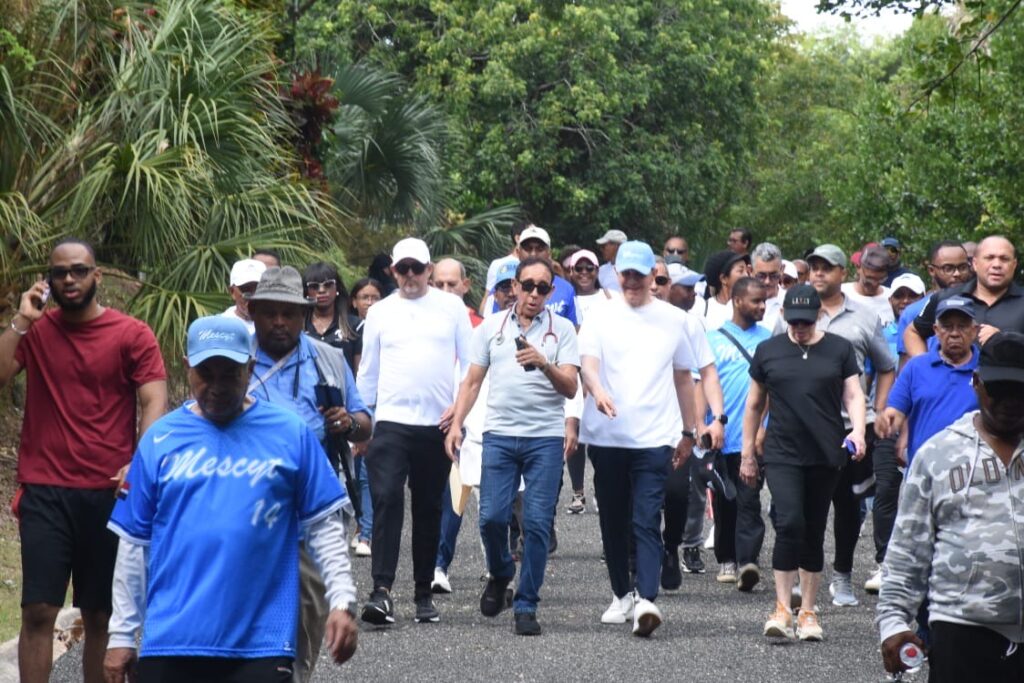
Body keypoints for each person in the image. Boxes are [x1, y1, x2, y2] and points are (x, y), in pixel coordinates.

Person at [102, 316, 358, 683]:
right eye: (206, 374)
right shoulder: (159, 441)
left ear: (250, 368)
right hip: (172, 639)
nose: (218, 387)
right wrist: (122, 635)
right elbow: (134, 545)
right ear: (187, 367)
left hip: (262, 643)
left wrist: (342, 601)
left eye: (230, 374)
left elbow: (323, 528)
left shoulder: (290, 434)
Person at [0, 239, 167, 683]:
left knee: (100, 614)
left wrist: (140, 463)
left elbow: (154, 400)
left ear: (97, 275)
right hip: (45, 491)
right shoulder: (35, 332)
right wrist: (21, 320)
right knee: (38, 610)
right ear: (48, 280)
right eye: (60, 273)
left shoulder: (132, 333)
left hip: (110, 493)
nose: (69, 279)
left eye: (78, 270)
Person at [580, 241, 721, 638]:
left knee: (645, 517)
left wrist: (689, 432)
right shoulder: (599, 316)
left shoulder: (674, 320)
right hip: (608, 435)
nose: (632, 281)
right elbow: (588, 365)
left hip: (654, 436)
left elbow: (684, 377)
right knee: (613, 518)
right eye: (626, 274)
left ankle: (646, 598)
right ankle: (620, 594)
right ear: (617, 274)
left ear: (652, 276)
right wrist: (598, 390)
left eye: (639, 275)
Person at [247, 266, 372, 683]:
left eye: (289, 313)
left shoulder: (328, 360)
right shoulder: (235, 362)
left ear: (303, 314)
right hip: (246, 522)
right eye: (270, 312)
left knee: (300, 646)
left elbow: (366, 424)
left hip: (310, 520)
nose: (279, 322)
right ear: (254, 313)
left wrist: (347, 423)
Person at [876, 331, 1024, 681]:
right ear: (977, 383)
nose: (1008, 401)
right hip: (961, 630)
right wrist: (894, 622)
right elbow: (907, 548)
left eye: (1018, 390)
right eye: (999, 389)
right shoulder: (938, 454)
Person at [445, 257, 580, 635]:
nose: (534, 294)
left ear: (550, 292)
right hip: (500, 435)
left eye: (543, 288)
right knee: (491, 518)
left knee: (536, 524)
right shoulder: (492, 327)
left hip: (544, 438)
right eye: (528, 285)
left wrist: (544, 363)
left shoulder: (562, 330)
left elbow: (571, 387)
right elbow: (472, 382)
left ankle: (526, 604)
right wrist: (456, 424)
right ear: (515, 286)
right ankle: (502, 572)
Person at [357, 237, 472, 625]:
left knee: (428, 506)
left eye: (417, 268)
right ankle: (381, 590)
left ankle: (423, 591)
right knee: (387, 497)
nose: (410, 275)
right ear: (393, 271)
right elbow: (368, 371)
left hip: (436, 423)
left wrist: (459, 412)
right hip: (391, 421)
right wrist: (362, 425)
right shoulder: (380, 312)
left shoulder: (451, 308)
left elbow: (470, 366)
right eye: (402, 268)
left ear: (429, 269)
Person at [742, 284, 867, 642]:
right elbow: (754, 405)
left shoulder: (839, 349)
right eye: (793, 321)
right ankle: (782, 607)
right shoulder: (768, 351)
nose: (799, 328)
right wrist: (748, 453)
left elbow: (853, 394)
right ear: (783, 316)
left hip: (825, 452)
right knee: (790, 522)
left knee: (813, 528)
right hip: (782, 451)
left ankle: (808, 610)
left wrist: (859, 430)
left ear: (819, 316)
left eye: (806, 322)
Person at [799, 244, 895, 608]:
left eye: (826, 267)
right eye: (814, 267)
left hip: (852, 426)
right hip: (806, 427)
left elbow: (886, 365)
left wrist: (879, 410)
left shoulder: (865, 316)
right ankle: (803, 575)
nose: (818, 273)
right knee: (804, 505)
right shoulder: (796, 310)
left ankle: (842, 574)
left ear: (843, 273)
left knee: (848, 505)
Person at [432, 260, 519, 593]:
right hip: (447, 422)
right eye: (503, 287)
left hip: (485, 425)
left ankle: (498, 569)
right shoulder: (436, 323)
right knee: (452, 499)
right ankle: (439, 567)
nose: (511, 293)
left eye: (451, 284)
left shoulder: (487, 328)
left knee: (493, 507)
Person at [703, 278, 771, 589]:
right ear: (737, 300)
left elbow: (772, 389)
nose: (762, 306)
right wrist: (702, 425)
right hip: (722, 437)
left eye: (764, 300)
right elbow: (702, 384)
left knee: (750, 500)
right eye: (756, 301)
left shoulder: (769, 340)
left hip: (754, 437)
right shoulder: (712, 339)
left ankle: (747, 562)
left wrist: (763, 428)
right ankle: (726, 558)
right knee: (725, 501)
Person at [908, 235, 1024, 354]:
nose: (996, 265)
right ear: (975, 263)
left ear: (1014, 264)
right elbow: (913, 332)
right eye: (989, 258)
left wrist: (1005, 339)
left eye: (1004, 259)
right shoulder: (946, 297)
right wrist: (924, 363)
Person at [346, 277, 383, 556]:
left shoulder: (385, 327)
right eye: (364, 297)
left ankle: (367, 532)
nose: (369, 303)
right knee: (353, 473)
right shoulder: (348, 328)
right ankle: (362, 524)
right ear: (354, 301)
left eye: (375, 298)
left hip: (379, 404)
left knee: (367, 471)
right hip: (349, 404)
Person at [303, 262, 361, 373]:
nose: (321, 290)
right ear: (306, 292)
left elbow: (361, 374)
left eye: (328, 285)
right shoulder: (297, 326)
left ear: (337, 288)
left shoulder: (355, 326)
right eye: (314, 286)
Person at [513, 225, 578, 324]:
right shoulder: (504, 286)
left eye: (540, 249)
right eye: (528, 248)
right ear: (518, 252)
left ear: (549, 253)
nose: (533, 254)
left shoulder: (567, 289)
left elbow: (575, 327)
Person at [698, 250, 751, 330]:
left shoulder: (752, 307)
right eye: (741, 271)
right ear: (724, 279)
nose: (746, 275)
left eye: (747, 271)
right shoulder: (703, 310)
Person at [841, 245, 894, 325]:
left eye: (880, 279)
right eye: (869, 279)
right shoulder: (841, 294)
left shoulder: (891, 298)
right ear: (858, 268)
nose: (874, 284)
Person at [568, 249, 617, 326]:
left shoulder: (611, 296)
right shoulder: (567, 300)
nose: (584, 272)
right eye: (579, 268)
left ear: (597, 271)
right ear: (571, 271)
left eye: (589, 268)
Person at [433, 257, 484, 327]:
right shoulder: (422, 321)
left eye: (451, 284)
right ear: (431, 286)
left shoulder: (481, 326)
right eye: (439, 285)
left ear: (465, 285)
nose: (445, 290)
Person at [223, 258, 267, 334]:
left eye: (259, 288)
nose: (253, 296)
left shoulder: (277, 324)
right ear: (232, 292)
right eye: (246, 289)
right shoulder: (222, 328)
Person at [751, 242, 784, 332]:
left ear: (782, 270)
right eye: (761, 276)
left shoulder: (789, 303)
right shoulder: (737, 304)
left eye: (773, 276)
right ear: (750, 271)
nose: (767, 281)